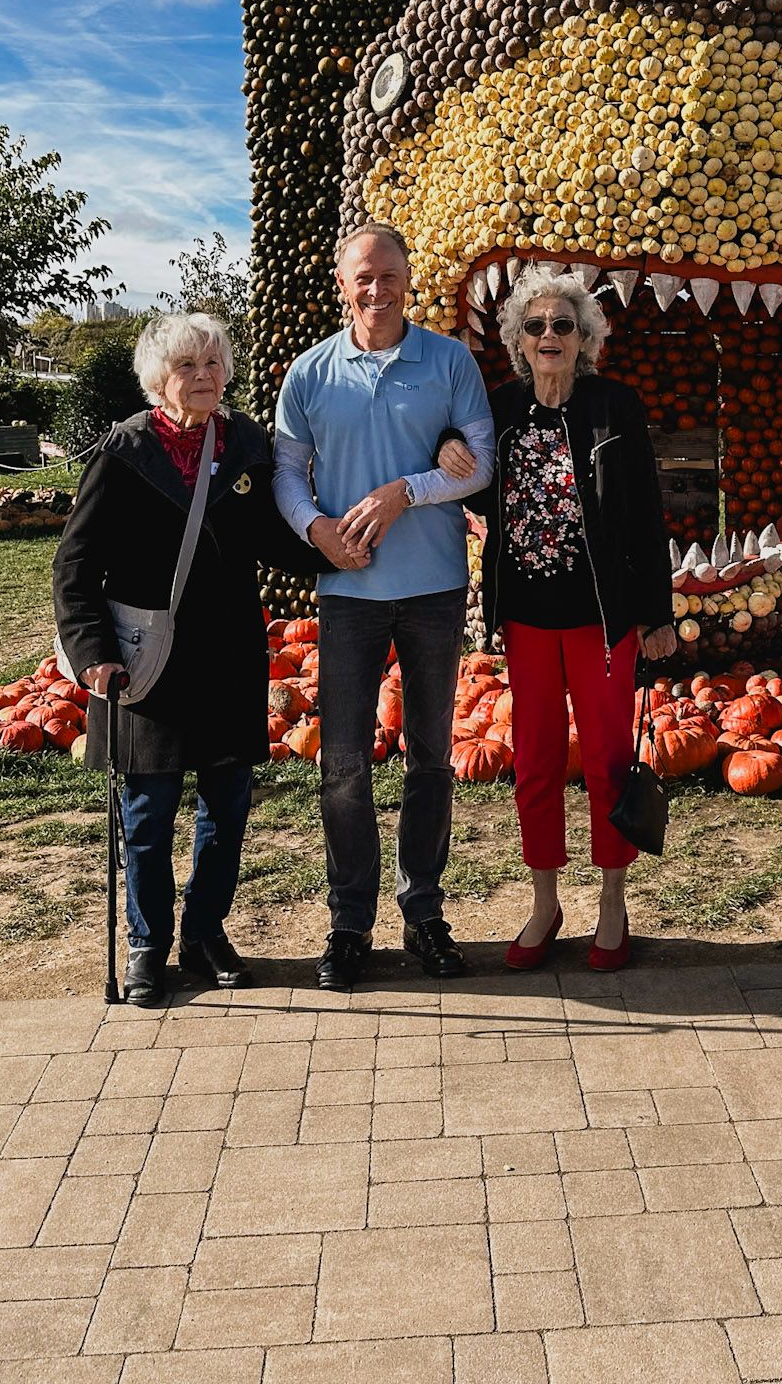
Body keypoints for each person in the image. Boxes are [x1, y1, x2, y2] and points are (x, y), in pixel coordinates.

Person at [53, 311, 317, 1006]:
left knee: (227, 808)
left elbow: (273, 537)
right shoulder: (124, 451)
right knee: (148, 813)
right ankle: (147, 945)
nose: (204, 376)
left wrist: (340, 545)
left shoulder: (246, 444)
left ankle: (204, 935)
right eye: (186, 366)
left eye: (213, 363)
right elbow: (74, 565)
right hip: (148, 660)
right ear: (157, 379)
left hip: (228, 655)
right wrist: (92, 651)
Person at [272, 222, 495, 990]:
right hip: (349, 594)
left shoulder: (450, 361)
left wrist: (408, 491)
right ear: (342, 284)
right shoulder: (309, 373)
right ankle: (349, 923)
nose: (377, 289)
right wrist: (316, 529)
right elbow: (286, 471)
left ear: (408, 279)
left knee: (430, 758)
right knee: (342, 764)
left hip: (433, 589)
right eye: (363, 276)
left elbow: (480, 463)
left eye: (389, 275)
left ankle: (423, 914)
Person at [440, 268, 674, 972]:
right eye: (536, 326)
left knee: (607, 762)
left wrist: (655, 613)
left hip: (602, 620)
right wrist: (444, 444)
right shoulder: (501, 408)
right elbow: (464, 467)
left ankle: (612, 903)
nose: (550, 336)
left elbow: (645, 514)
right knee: (535, 763)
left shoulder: (614, 407)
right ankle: (545, 902)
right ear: (518, 340)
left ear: (584, 339)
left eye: (563, 325)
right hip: (528, 620)